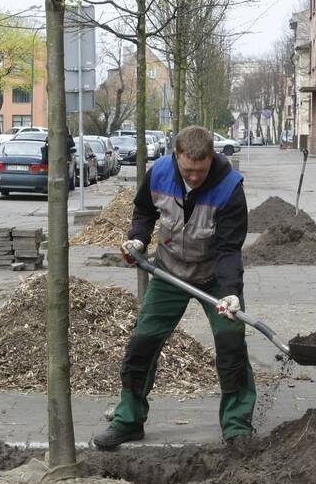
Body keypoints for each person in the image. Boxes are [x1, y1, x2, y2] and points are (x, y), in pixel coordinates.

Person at [93, 125, 255, 449]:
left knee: (231, 345)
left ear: (211, 158)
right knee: (142, 344)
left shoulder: (229, 188)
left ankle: (237, 427)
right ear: (176, 156)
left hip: (214, 278)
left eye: (200, 170)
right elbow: (144, 210)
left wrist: (231, 292)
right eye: (187, 170)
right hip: (169, 273)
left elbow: (228, 249)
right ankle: (129, 418)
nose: (194, 177)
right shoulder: (160, 174)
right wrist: (138, 237)